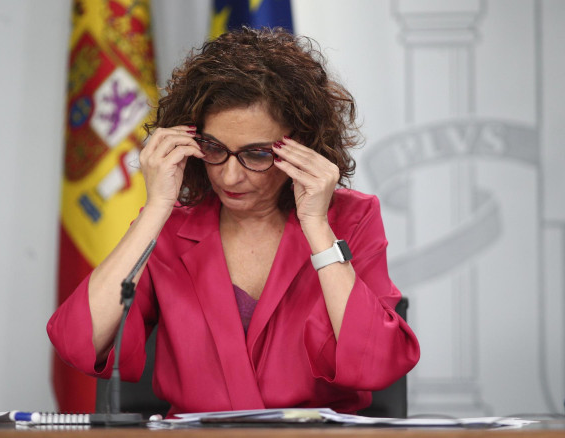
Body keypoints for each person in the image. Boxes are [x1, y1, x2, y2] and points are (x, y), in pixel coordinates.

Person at [48, 27, 419, 417]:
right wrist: (157, 207)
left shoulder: (349, 218)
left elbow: (379, 363)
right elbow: (77, 343)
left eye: (256, 154)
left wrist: (317, 228)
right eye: (213, 148)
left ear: (302, 148)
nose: (228, 176)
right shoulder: (170, 229)